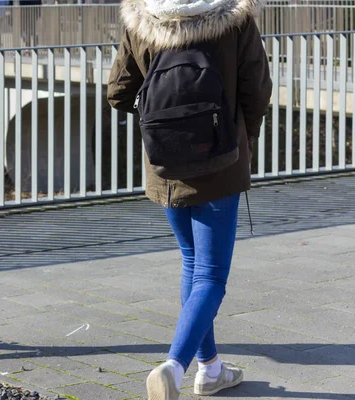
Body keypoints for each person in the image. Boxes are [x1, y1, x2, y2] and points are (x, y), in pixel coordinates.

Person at [107, 0, 272, 398]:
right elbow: (257, 89)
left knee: (193, 264)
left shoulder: (141, 19)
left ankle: (211, 368)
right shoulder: (234, 19)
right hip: (221, 161)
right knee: (211, 275)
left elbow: (118, 92)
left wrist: (163, 120)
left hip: (166, 166)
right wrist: (244, 138)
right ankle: (174, 365)